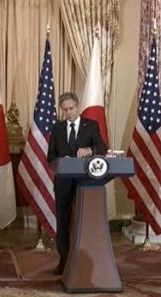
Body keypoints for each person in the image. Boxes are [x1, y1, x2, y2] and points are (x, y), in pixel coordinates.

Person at [47, 92, 107, 275]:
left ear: (78, 106)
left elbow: (102, 148)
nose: (69, 113)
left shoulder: (91, 126)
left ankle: (88, 261)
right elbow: (50, 157)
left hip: (85, 182)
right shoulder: (57, 129)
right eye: (65, 110)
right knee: (63, 222)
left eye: (71, 108)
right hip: (63, 182)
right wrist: (61, 161)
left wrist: (89, 150)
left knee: (85, 220)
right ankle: (64, 261)